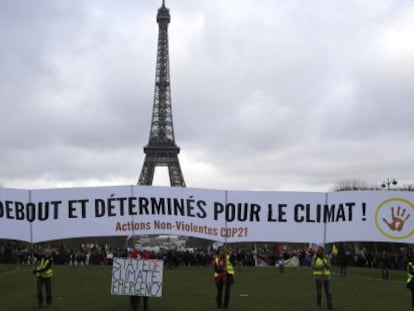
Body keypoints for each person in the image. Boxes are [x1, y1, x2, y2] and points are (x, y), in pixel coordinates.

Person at [129, 241, 151, 311]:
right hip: (135, 277)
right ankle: (134, 306)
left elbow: (148, 262)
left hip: (144, 277)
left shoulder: (145, 255)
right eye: (137, 246)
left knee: (144, 293)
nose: (138, 247)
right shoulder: (133, 254)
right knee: (135, 293)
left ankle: (145, 306)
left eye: (139, 246)